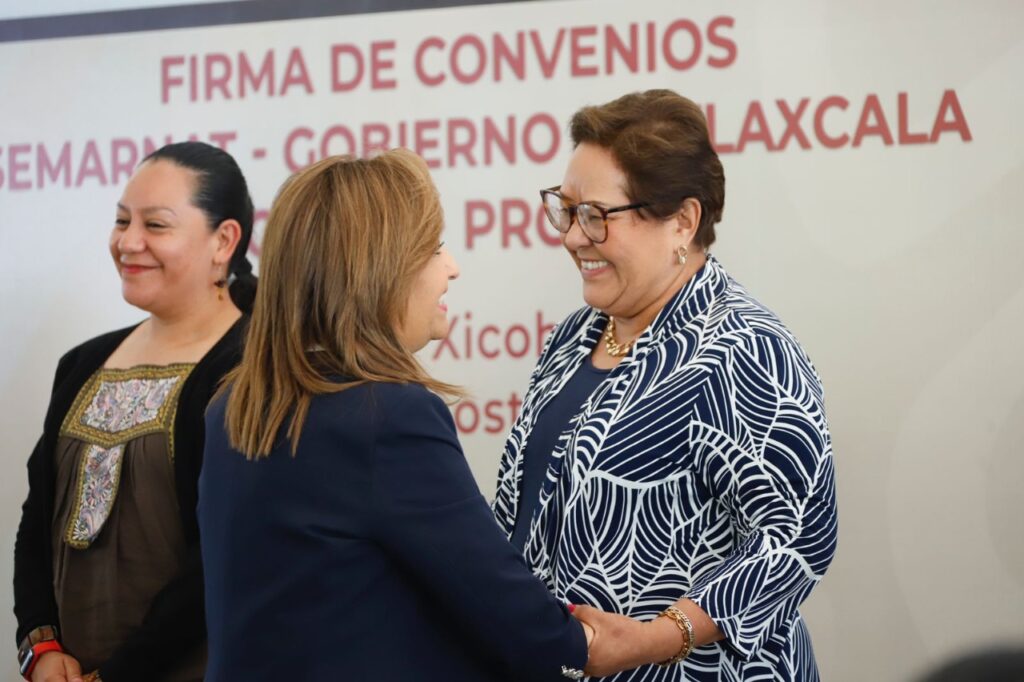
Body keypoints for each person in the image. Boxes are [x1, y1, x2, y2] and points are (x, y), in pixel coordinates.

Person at [198, 149, 591, 681]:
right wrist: (635, 639)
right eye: (434, 248)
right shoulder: (387, 415)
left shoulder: (233, 404)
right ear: (379, 269)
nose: (451, 268)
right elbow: (518, 621)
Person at [493, 89, 838, 680]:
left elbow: (799, 537)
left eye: (596, 215)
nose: (573, 237)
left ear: (682, 221)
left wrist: (657, 638)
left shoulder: (745, 348)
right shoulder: (573, 336)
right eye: (566, 210)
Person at [13, 141, 256, 682]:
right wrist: (41, 647)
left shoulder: (253, 369)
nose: (128, 242)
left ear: (224, 240)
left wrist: (120, 674)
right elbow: (37, 519)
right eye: (122, 220)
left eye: (156, 225)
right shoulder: (83, 363)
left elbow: (224, 557)